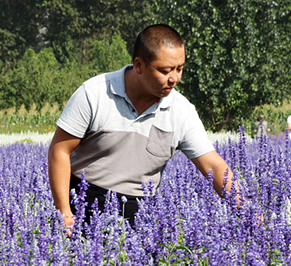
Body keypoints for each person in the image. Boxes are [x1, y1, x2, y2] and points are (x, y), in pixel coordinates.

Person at [47, 24, 240, 233]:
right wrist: (64, 211)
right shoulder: (93, 94)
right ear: (139, 65)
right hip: (83, 206)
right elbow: (60, 150)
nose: (174, 79)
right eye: (165, 71)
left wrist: (246, 211)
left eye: (179, 69)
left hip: (140, 219)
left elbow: (213, 165)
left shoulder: (181, 112)